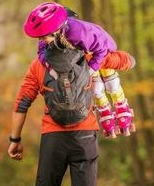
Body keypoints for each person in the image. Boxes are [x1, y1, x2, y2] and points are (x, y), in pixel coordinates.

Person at [25, 2, 135, 138]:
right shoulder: (47, 35)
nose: (41, 40)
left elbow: (100, 51)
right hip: (83, 51)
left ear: (56, 31)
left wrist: (90, 69)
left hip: (100, 48)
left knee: (109, 83)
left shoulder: (80, 34)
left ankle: (120, 102)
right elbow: (41, 52)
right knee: (96, 88)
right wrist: (49, 66)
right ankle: (103, 105)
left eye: (43, 37)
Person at [8, 46, 100, 185]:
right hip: (85, 134)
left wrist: (15, 140)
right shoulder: (89, 59)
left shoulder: (39, 64)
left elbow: (22, 103)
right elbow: (122, 61)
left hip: (53, 136)